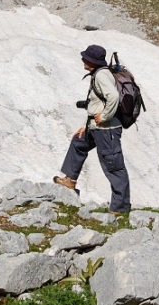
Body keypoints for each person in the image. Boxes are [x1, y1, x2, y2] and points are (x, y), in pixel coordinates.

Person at [54, 44, 131, 214]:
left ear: (93, 61)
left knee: (113, 166)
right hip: (95, 127)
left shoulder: (102, 75)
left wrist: (104, 117)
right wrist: (85, 125)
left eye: (86, 58)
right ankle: (70, 180)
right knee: (78, 142)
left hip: (107, 130)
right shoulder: (97, 73)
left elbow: (114, 97)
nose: (83, 59)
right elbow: (96, 103)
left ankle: (120, 208)